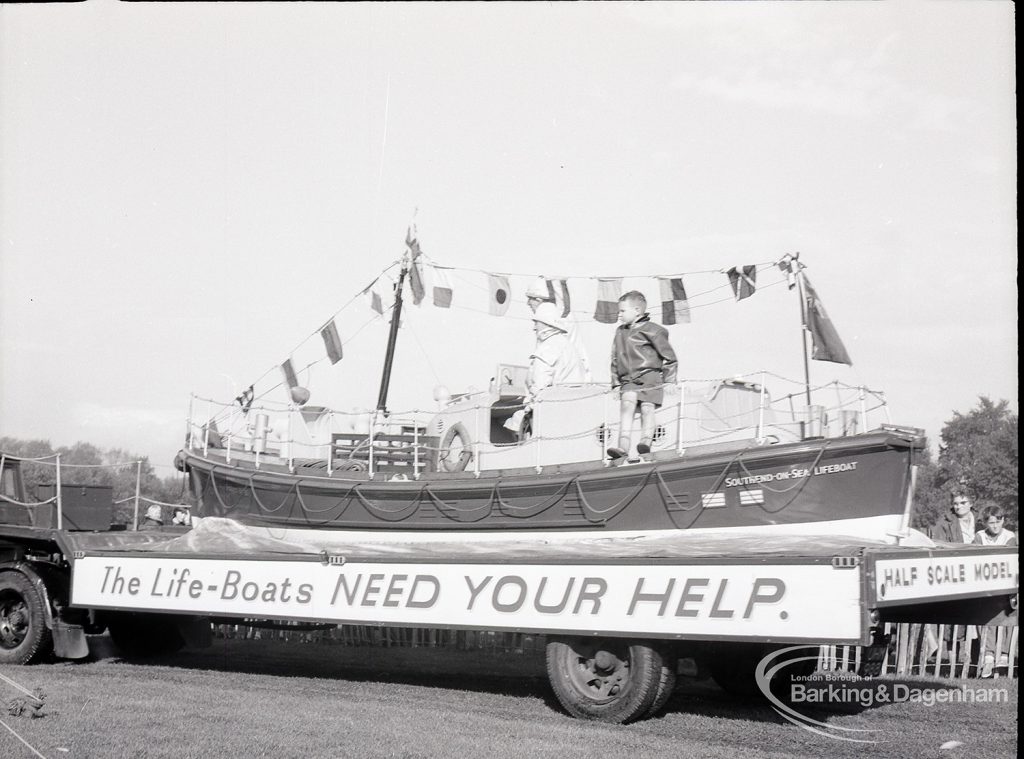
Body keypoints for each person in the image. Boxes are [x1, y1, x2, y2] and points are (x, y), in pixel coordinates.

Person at [607, 291, 678, 460]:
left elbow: (669, 357)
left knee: (647, 408)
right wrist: (616, 383)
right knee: (627, 405)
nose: (619, 315)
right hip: (628, 379)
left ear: (637, 310)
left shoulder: (654, 331)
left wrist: (669, 380)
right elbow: (615, 358)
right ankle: (623, 446)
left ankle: (645, 442)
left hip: (650, 376)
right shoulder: (620, 332)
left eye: (623, 311)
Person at [506, 302, 589, 437]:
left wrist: (527, 410)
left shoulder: (547, 349)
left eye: (536, 323)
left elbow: (539, 386)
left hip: (551, 415)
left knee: (513, 420)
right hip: (573, 412)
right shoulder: (570, 347)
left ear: (546, 324)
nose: (534, 328)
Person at [525, 277, 592, 382]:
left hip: (561, 386)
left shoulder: (561, 322)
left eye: (530, 298)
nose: (528, 303)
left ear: (539, 299)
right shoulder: (548, 323)